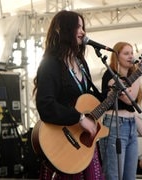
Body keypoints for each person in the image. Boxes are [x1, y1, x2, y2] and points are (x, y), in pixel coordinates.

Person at [33, 10, 105, 179]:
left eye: (83, 27)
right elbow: (45, 105)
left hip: (82, 143)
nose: (83, 32)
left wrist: (115, 91)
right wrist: (80, 118)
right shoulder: (50, 63)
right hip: (61, 143)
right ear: (64, 30)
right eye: (78, 27)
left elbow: (89, 101)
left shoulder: (81, 63)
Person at [98, 42, 142, 180]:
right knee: (114, 176)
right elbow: (129, 98)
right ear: (117, 56)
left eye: (132, 53)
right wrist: (139, 73)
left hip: (130, 128)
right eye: (126, 53)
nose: (131, 56)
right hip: (114, 127)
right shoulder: (110, 76)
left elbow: (131, 112)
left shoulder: (130, 79)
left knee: (130, 177)